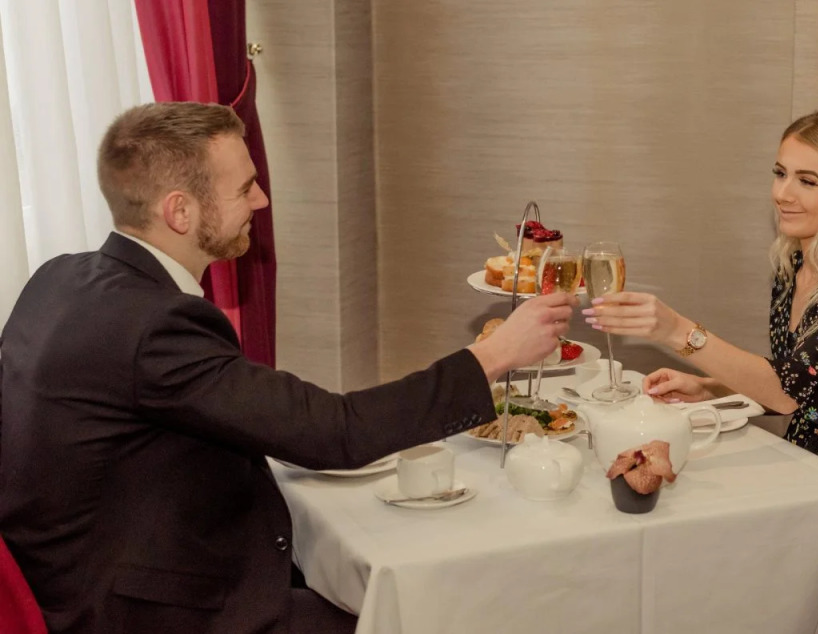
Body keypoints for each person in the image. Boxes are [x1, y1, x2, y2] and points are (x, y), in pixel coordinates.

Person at [0, 101, 577, 634]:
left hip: (83, 579)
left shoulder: (61, 276)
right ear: (180, 210)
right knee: (435, 611)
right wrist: (496, 354)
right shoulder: (157, 327)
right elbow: (335, 431)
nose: (261, 201)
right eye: (244, 188)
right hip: (145, 614)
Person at [583, 107, 818, 613]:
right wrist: (709, 387)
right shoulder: (795, 262)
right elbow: (803, 378)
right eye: (780, 173)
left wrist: (677, 331)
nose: (783, 193)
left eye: (807, 181)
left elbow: (788, 392)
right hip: (810, 459)